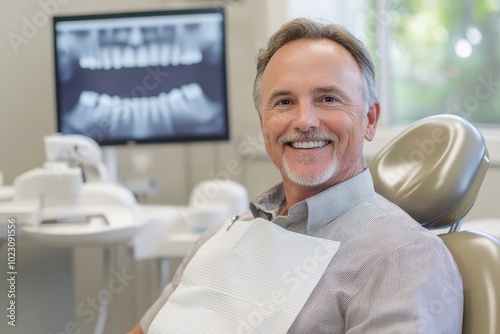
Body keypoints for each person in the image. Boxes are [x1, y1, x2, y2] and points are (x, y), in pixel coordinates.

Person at [128, 18, 463, 333]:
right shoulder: (221, 236)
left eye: (328, 99)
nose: (304, 121)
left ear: (370, 120)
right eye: (285, 101)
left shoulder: (403, 257)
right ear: (263, 125)